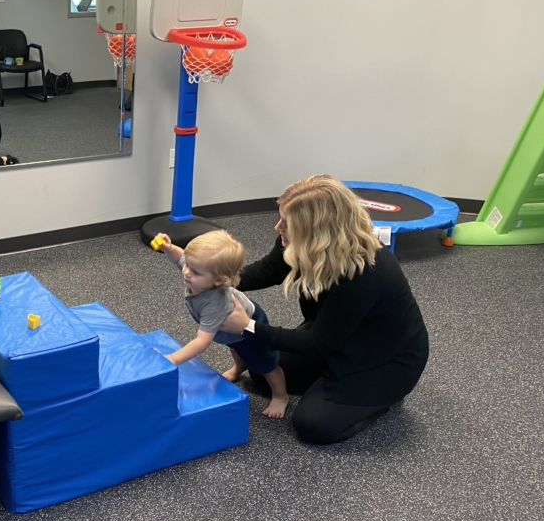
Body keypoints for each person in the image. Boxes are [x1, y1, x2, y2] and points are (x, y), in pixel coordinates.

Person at [220, 175, 430, 444]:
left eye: (287, 223)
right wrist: (218, 279)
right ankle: (331, 385)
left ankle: (381, 399)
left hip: (383, 361)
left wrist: (248, 325)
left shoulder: (364, 273)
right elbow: (268, 270)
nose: (277, 227)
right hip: (335, 335)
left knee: (312, 425)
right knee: (262, 371)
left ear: (315, 231)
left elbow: (317, 343)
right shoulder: (299, 243)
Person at [155, 229, 289, 418]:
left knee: (264, 363)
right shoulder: (200, 270)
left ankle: (280, 396)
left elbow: (202, 341)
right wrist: (168, 248)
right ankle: (239, 367)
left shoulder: (215, 303)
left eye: (194, 271)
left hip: (248, 327)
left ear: (218, 280)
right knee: (232, 343)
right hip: (227, 330)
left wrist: (174, 359)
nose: (186, 271)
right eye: (188, 265)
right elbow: (181, 257)